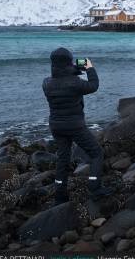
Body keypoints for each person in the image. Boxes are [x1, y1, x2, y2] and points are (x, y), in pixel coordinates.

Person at [42, 47, 111, 204]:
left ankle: (60, 194)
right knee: (96, 153)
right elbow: (93, 85)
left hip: (56, 126)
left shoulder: (46, 83)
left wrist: (72, 70)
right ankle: (94, 187)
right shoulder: (75, 83)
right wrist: (89, 68)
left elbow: (62, 80)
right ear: (69, 62)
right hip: (74, 126)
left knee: (63, 158)